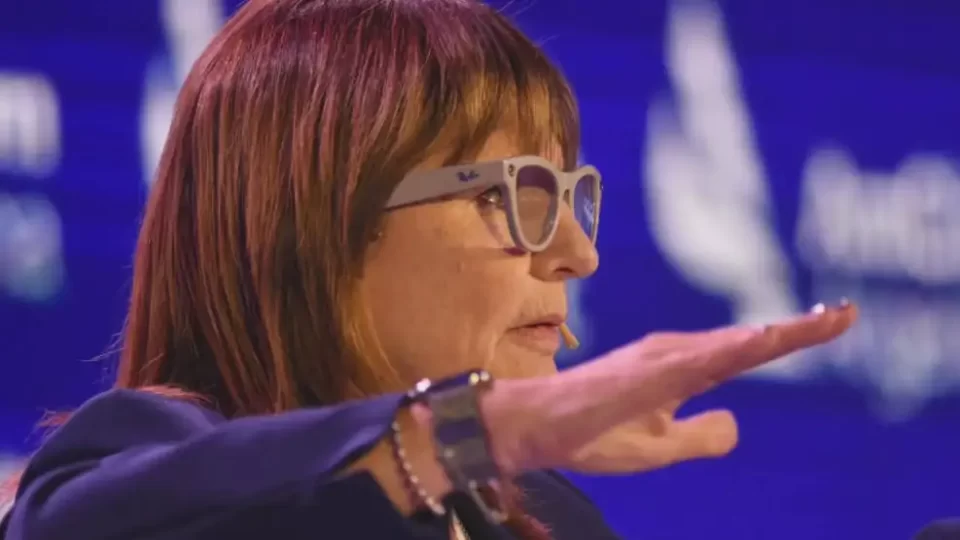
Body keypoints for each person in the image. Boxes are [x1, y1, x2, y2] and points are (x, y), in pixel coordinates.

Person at [0, 0, 858, 539]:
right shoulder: (146, 465)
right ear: (321, 224)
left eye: (570, 195)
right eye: (511, 193)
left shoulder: (546, 518)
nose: (579, 253)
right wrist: (473, 429)